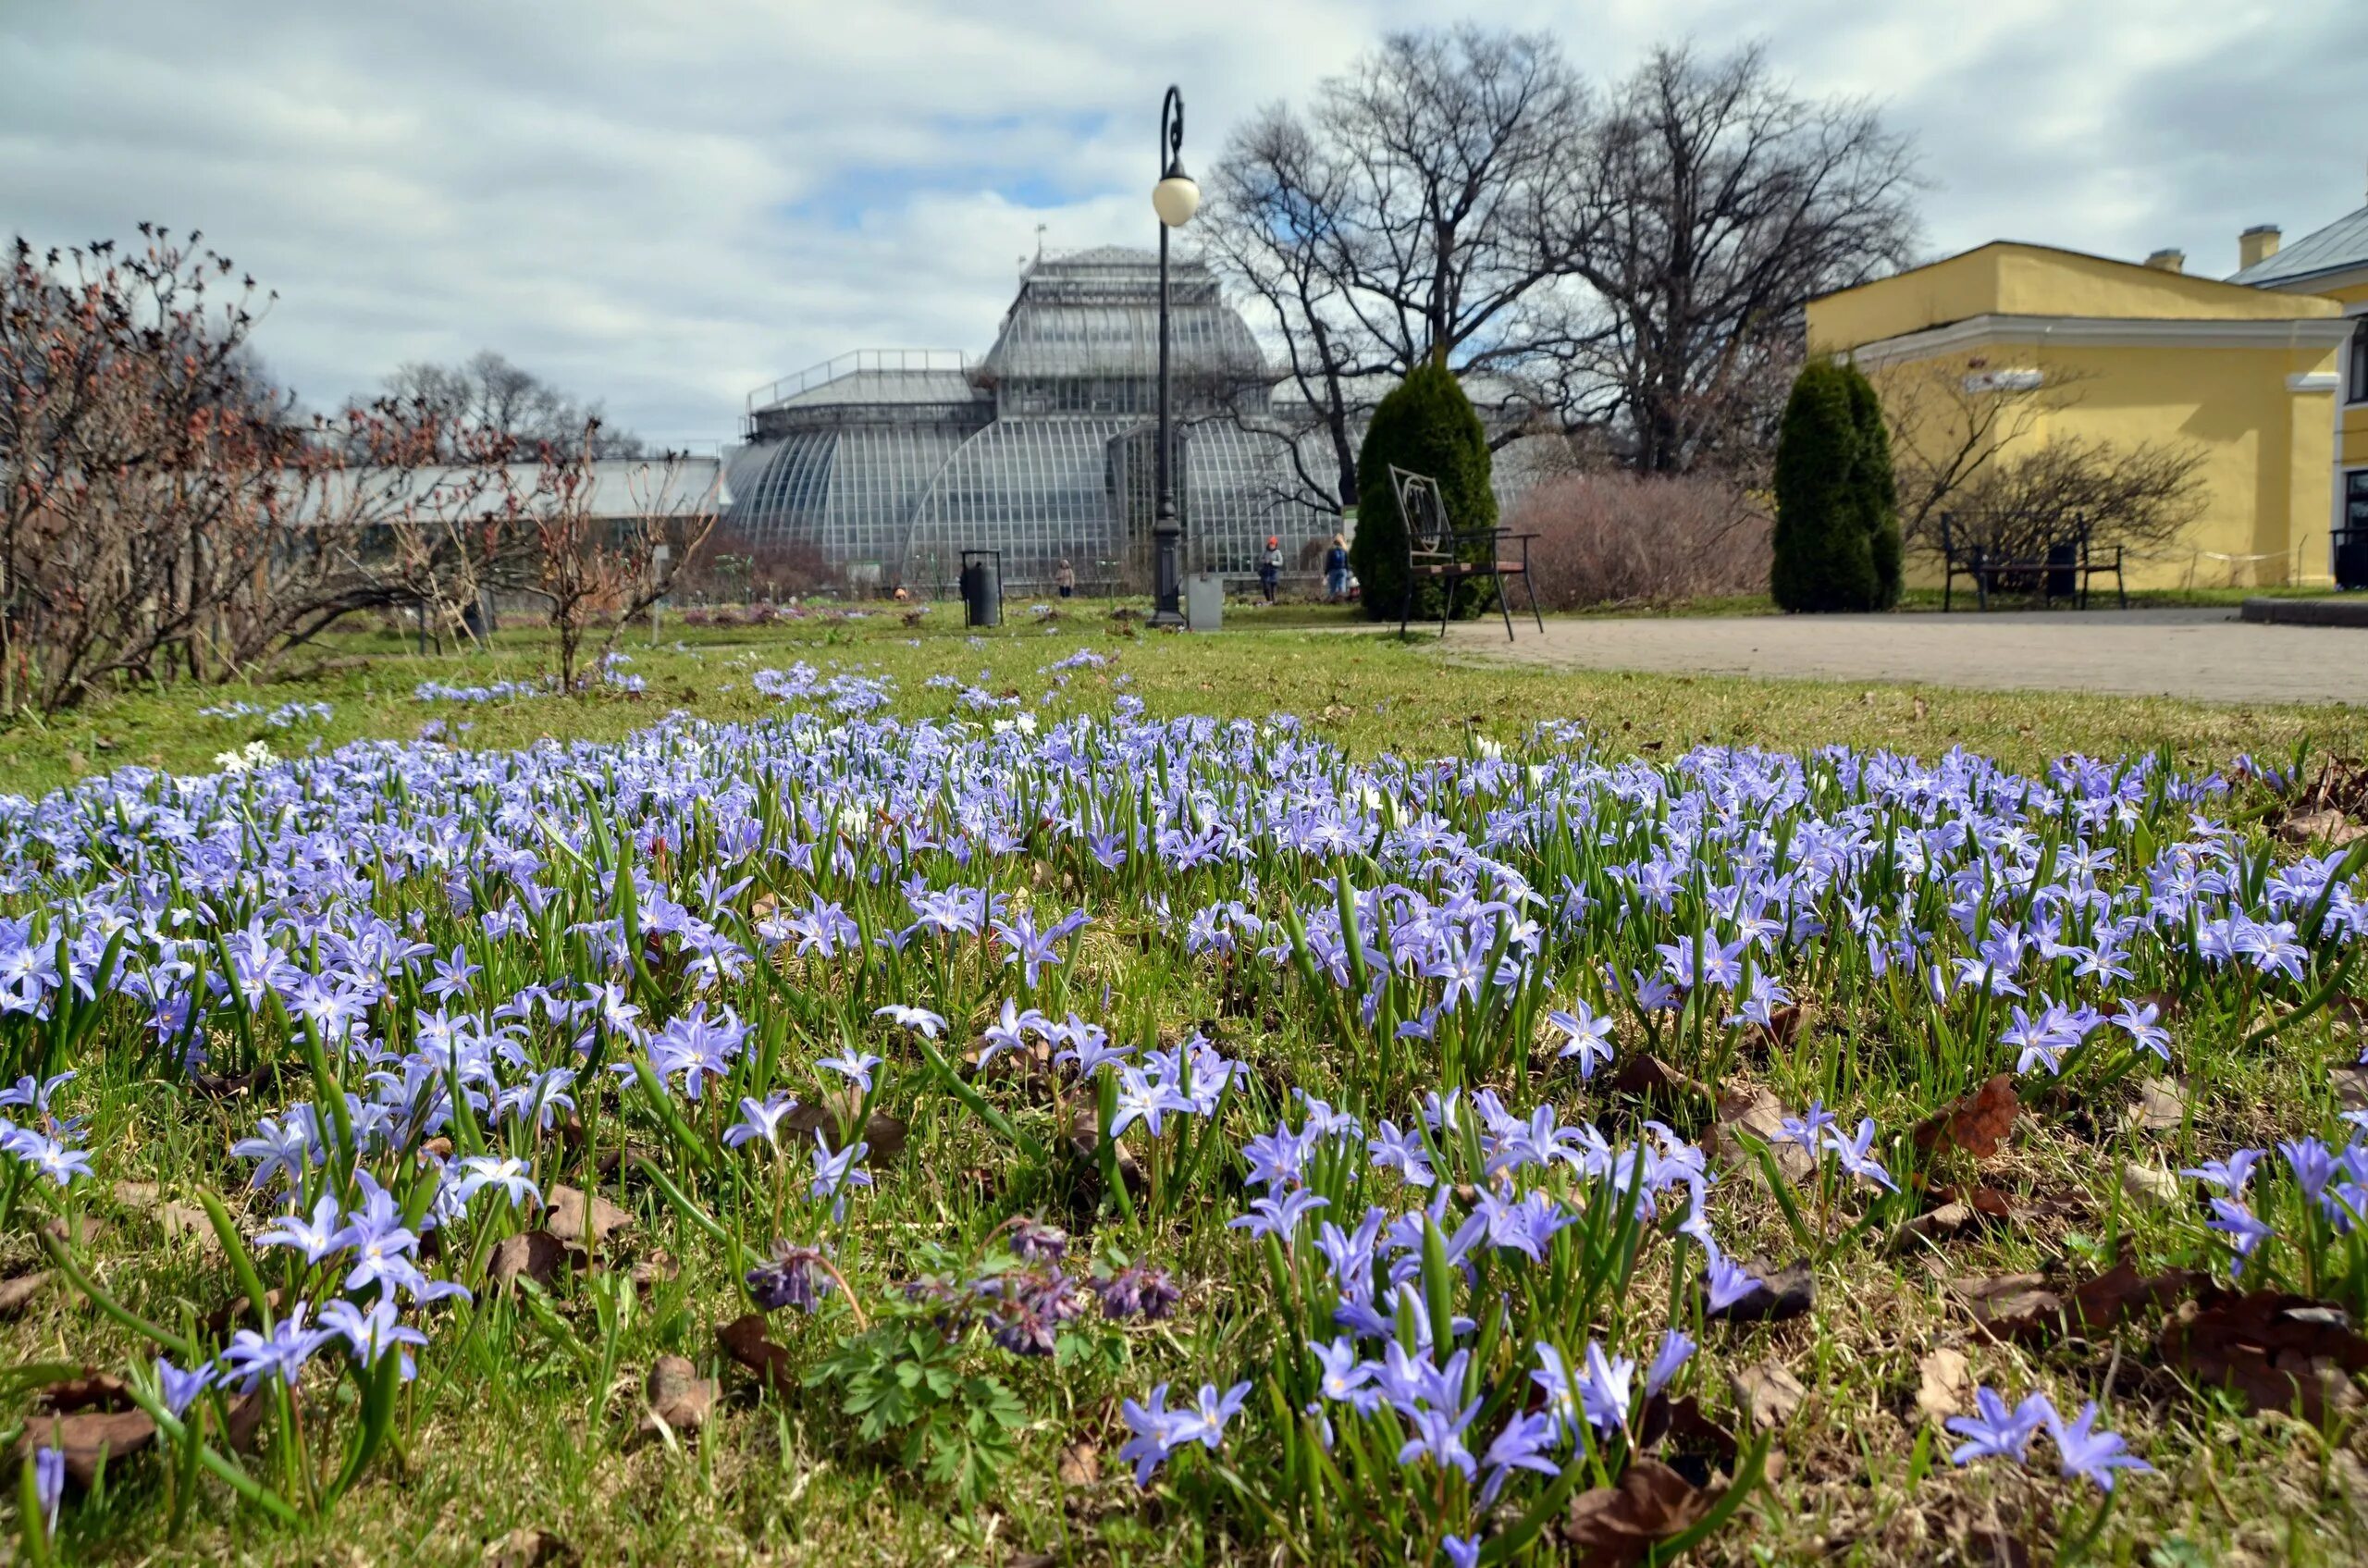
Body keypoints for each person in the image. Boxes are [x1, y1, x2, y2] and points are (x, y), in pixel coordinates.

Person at [1323, 534, 1350, 601]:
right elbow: (1347, 563)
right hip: (1342, 570)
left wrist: (1326, 573)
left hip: (1333, 571)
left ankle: (1332, 600)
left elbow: (1328, 562)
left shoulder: (1331, 550)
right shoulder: (1345, 550)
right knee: (1341, 587)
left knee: (1333, 588)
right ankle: (1341, 600)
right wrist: (1348, 571)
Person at [1259, 536, 1283, 604]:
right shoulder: (1265, 551)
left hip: (1274, 571)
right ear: (1268, 544)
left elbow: (1281, 562)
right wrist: (1265, 561)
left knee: (1273, 587)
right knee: (1266, 587)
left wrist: (1272, 562)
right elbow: (1260, 559)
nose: (1271, 546)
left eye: (1273, 545)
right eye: (1270, 544)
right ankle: (1268, 600)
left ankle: (1274, 601)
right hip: (1266, 571)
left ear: (1275, 545)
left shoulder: (1277, 552)